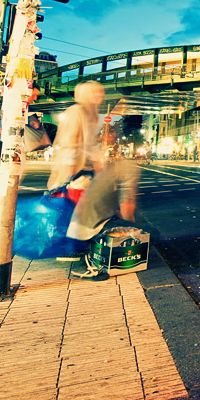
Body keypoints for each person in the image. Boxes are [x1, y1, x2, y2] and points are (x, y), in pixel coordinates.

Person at [49, 81, 140, 278]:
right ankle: (74, 250)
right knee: (80, 207)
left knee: (91, 206)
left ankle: (82, 247)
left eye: (100, 92)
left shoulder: (91, 116)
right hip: (74, 170)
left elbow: (87, 145)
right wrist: (70, 174)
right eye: (95, 93)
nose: (100, 96)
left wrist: (99, 164)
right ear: (85, 95)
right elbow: (70, 142)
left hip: (85, 169)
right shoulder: (76, 112)